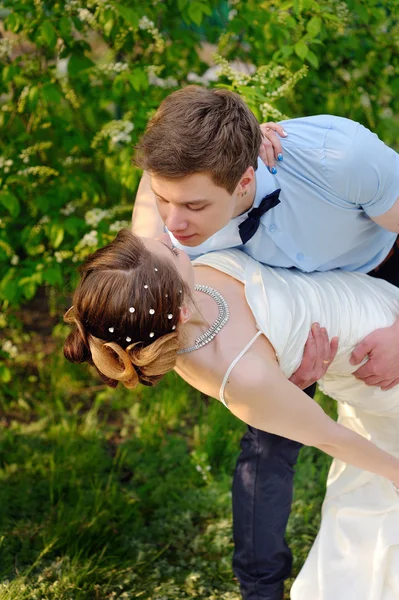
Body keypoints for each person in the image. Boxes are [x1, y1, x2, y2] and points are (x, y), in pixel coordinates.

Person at [131, 85, 399, 600]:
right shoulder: (167, 221)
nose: (174, 222)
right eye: (164, 200)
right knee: (268, 435)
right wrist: (284, 375)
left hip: (384, 262)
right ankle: (261, 590)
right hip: (291, 300)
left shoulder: (337, 157)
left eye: (192, 204)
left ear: (245, 179)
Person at [64, 229, 399, 600]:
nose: (172, 238)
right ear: (183, 311)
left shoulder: (151, 286)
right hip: (383, 365)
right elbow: (327, 436)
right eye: (173, 252)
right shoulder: (244, 375)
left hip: (369, 296)